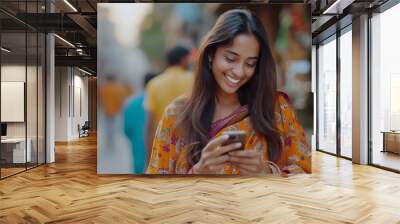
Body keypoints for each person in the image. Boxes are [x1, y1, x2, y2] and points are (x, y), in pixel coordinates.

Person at [146, 9, 311, 175]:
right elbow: (156, 190)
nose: (239, 72)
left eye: (250, 63)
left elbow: (307, 176)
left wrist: (267, 172)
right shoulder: (177, 115)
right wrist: (198, 172)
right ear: (211, 54)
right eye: (231, 59)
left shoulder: (277, 109)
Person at [144, 45, 194, 161]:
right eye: (189, 58)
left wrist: (149, 157)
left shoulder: (154, 84)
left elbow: (149, 124)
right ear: (183, 59)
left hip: (163, 147)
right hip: (190, 146)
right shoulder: (195, 80)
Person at [123, 72, 158, 173]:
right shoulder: (160, 101)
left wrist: (135, 139)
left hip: (137, 147)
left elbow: (126, 129)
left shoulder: (131, 103)